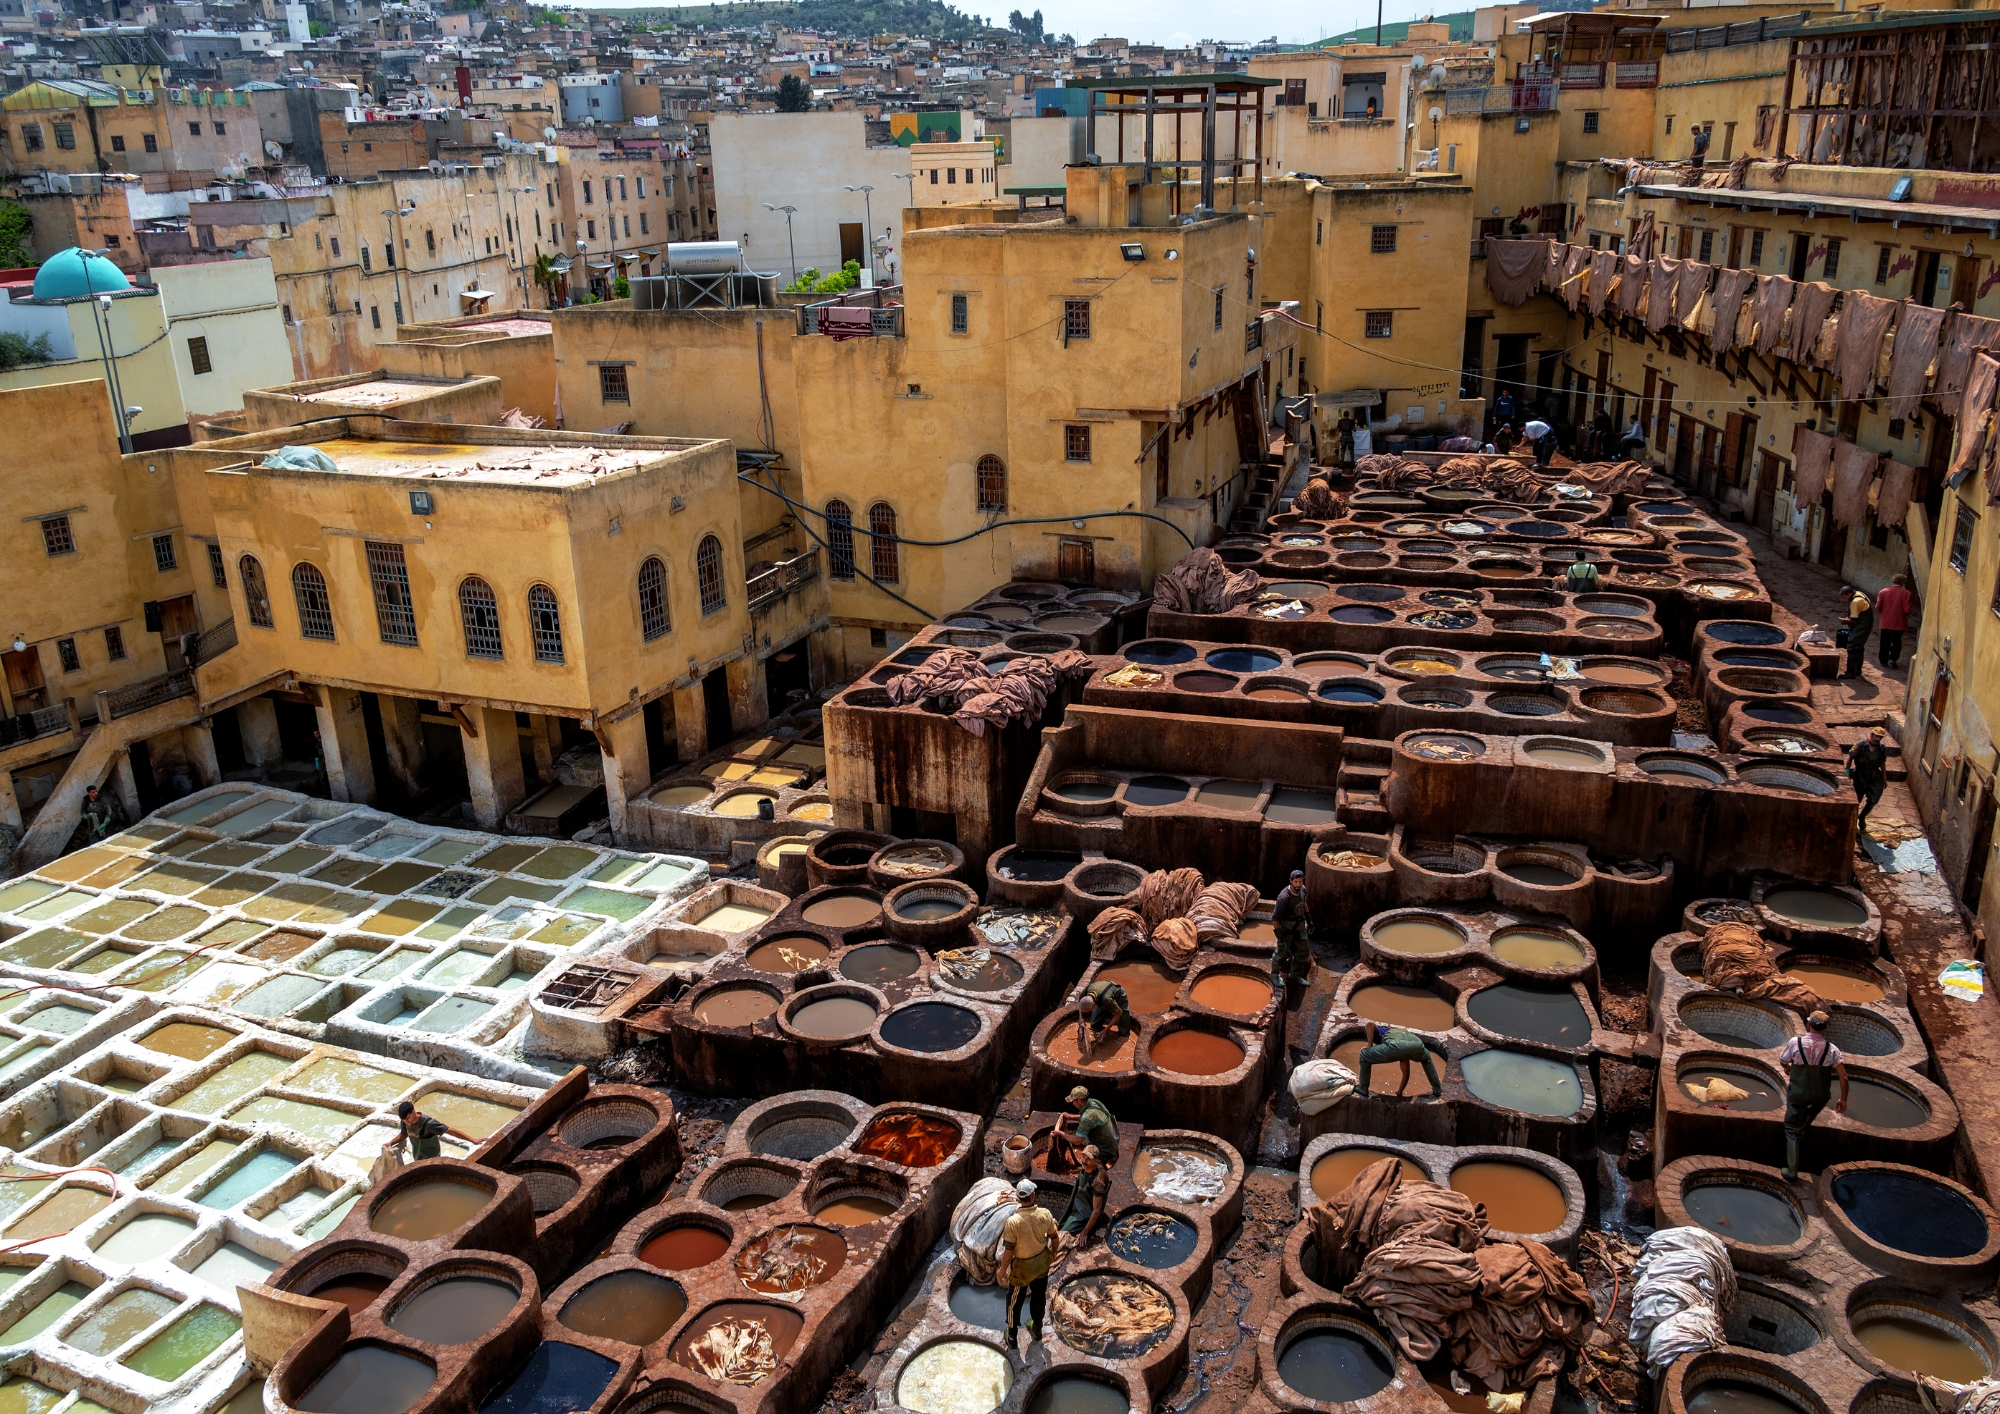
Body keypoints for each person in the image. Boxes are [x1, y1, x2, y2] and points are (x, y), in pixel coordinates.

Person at [1777, 1011, 1848, 1180]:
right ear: (1825, 1028)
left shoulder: (1795, 1043)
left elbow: (1783, 1060)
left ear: (1809, 1024)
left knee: (1791, 1129)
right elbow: (1843, 1077)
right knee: (1806, 1117)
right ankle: (1801, 1131)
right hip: (1819, 1096)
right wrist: (1843, 1099)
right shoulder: (1832, 1050)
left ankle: (1791, 1170)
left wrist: (1788, 1067)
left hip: (1798, 1094)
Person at [1001, 1177, 1059, 1351]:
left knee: (1014, 1300)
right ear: (1033, 1196)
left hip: (1022, 1268)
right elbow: (1054, 1238)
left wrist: (1002, 1270)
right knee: (1039, 1296)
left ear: (1018, 1198)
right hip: (1042, 1263)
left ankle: (1012, 1336)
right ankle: (1037, 1329)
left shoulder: (1013, 1222)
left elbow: (1009, 1252)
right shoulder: (1045, 1214)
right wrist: (1053, 1254)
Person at [1353, 1020, 1441, 1099]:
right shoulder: (1401, 1032)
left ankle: (1363, 1088)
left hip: (1396, 1045)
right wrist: (1399, 1092)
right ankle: (1437, 1089)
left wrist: (1369, 1044)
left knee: (1364, 1055)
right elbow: (1406, 1074)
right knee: (1426, 1059)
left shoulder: (1382, 1029)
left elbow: (1369, 1024)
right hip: (1417, 1044)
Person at [1047, 1086, 1119, 1168]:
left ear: (1079, 1101)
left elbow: (1078, 1141)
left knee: (1087, 1168)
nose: (1073, 1104)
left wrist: (1061, 1133)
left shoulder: (1087, 1117)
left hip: (1105, 1150)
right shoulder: (1094, 1102)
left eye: (1074, 1101)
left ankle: (1099, 1164)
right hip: (1113, 1142)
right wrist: (1070, 1117)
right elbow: (1090, 1119)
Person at [1057, 1144, 1110, 1245]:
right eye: (1083, 1156)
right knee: (1060, 1224)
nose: (1084, 1160)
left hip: (1085, 1215)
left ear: (1096, 1161)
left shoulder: (1097, 1181)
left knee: (1061, 1236)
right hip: (1078, 1205)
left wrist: (1084, 1232)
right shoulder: (1087, 1166)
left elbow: (1096, 1211)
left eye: (1088, 1158)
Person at [1271, 868, 1312, 997]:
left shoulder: (1303, 889)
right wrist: (1279, 937)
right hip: (1287, 928)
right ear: (1290, 881)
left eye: (1300, 881)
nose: (1298, 884)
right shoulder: (1284, 897)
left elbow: (1304, 903)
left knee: (1303, 951)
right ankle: (1274, 975)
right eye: (1296, 882)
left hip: (1299, 926)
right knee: (1281, 953)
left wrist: (1309, 920)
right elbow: (1275, 918)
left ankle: (1295, 975)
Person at [394, 1099, 478, 1161]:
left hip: (432, 1159)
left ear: (413, 1112)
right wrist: (390, 1143)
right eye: (403, 1120)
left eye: (407, 1118)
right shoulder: (405, 1122)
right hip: (418, 1159)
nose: (406, 1121)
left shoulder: (429, 1124)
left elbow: (449, 1130)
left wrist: (472, 1140)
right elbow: (403, 1134)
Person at [1846, 726, 1890, 829]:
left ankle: (1862, 816)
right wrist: (1847, 771)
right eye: (1876, 736)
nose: (1877, 739)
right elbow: (1850, 758)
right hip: (1861, 774)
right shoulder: (1860, 745)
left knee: (1874, 799)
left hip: (1874, 775)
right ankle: (1851, 819)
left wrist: (1884, 779)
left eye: (1880, 737)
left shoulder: (1882, 749)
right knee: (1857, 798)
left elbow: (1883, 764)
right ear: (1871, 735)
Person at [1076, 979, 1135, 1052]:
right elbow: (1081, 1006)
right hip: (1102, 994)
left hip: (1118, 994)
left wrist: (1106, 1030)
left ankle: (1110, 1013)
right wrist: (1081, 1018)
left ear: (1093, 1004)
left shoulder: (1106, 999)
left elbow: (1119, 1013)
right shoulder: (1085, 992)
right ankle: (1107, 1012)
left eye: (1089, 1010)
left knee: (1124, 1033)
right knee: (1094, 1024)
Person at [1874, 574, 1915, 670]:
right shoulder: (1907, 593)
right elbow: (1907, 610)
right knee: (1897, 642)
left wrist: (1885, 613)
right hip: (1899, 622)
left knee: (1884, 642)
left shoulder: (1883, 591)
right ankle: (1893, 658)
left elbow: (1878, 607)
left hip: (1886, 621)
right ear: (1902, 582)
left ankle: (1883, 661)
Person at [1841, 585, 1875, 679]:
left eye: (1845, 596)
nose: (1844, 598)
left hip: (1860, 627)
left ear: (1849, 594)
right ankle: (1857, 670)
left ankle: (1850, 673)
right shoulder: (1860, 594)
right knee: (1859, 648)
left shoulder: (1855, 602)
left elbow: (1854, 619)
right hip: (1866, 625)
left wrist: (1845, 621)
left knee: (1852, 647)